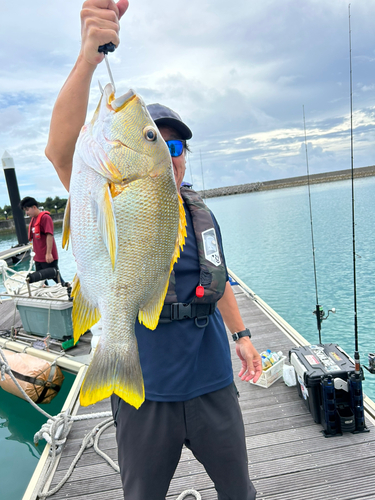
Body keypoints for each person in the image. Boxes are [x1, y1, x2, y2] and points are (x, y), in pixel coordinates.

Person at [45, 2, 262, 499]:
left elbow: (219, 277)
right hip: (144, 387)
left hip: (211, 380)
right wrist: (87, 61)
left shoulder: (200, 214)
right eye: (156, 142)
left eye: (176, 148)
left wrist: (243, 335)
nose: (169, 155)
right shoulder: (102, 188)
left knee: (240, 491)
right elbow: (60, 151)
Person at [19, 196, 65, 285]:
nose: (26, 213)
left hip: (47, 256)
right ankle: (47, 296)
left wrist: (48, 253)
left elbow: (49, 235)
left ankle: (69, 293)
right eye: (25, 211)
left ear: (34, 207)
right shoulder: (33, 220)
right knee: (41, 280)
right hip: (38, 257)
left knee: (56, 277)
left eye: (27, 210)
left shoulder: (45, 218)